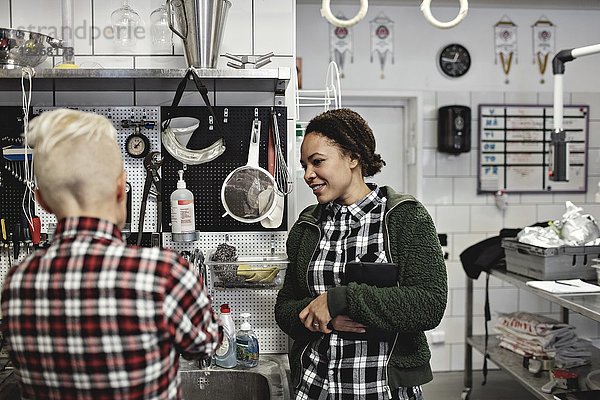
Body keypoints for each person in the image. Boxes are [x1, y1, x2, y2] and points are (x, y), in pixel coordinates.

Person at [0, 109, 222, 400]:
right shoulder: (164, 274)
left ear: (42, 200)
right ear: (121, 188)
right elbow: (205, 345)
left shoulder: (17, 283)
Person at [275, 108, 447, 400]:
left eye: (317, 162)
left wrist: (340, 300)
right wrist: (324, 319)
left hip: (381, 390)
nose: (307, 175)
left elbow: (429, 304)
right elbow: (285, 308)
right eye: (304, 165)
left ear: (352, 157)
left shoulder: (404, 217)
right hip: (315, 388)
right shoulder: (307, 226)